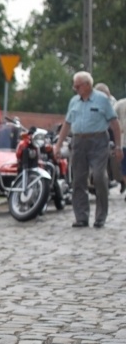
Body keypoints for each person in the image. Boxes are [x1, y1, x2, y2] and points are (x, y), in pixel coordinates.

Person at [54, 71, 123, 228]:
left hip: (99, 141)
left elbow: (114, 124)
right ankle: (81, 217)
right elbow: (67, 124)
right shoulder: (73, 102)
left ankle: (100, 217)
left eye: (77, 85)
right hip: (78, 142)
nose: (75, 88)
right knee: (78, 180)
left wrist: (118, 146)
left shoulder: (102, 100)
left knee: (99, 177)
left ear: (87, 85)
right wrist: (58, 145)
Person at [93, 83, 122, 190]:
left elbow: (114, 122)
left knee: (112, 155)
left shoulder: (112, 103)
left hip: (108, 133)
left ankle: (115, 177)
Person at [115, 96, 126, 197]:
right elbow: (111, 116)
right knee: (124, 167)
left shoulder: (120, 104)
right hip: (124, 141)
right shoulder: (121, 104)